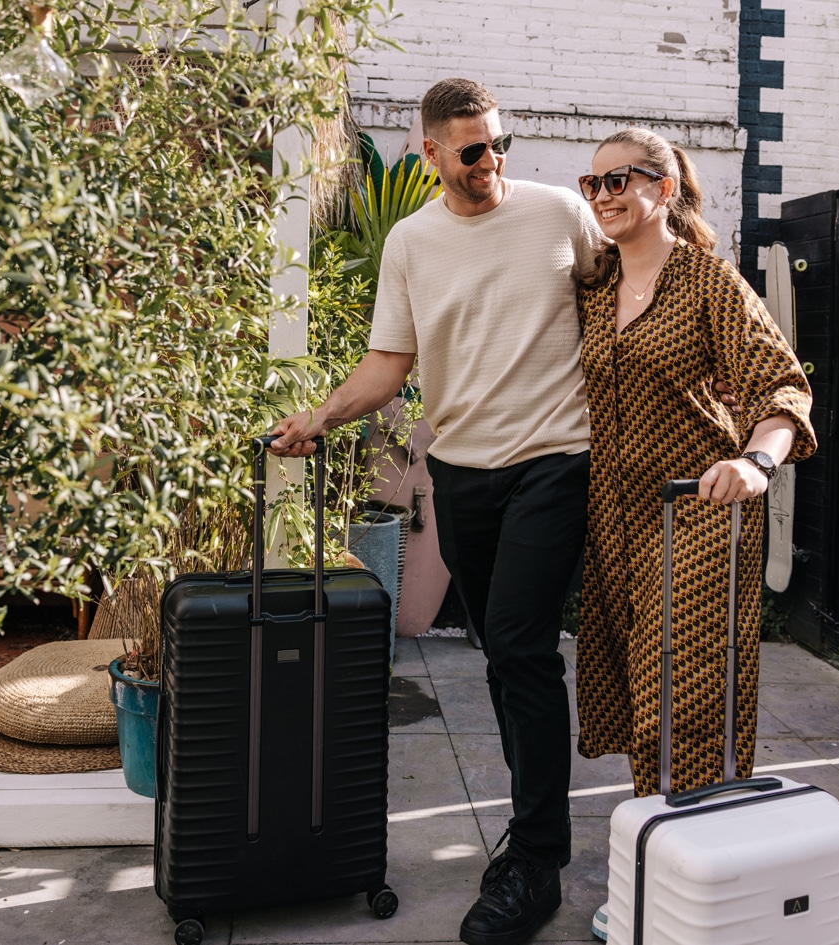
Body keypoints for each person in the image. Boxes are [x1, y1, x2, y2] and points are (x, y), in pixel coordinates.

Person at [269, 78, 604, 945]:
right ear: (430, 154)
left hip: (554, 461)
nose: (490, 161)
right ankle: (529, 836)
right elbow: (388, 363)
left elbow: (627, 291)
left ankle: (534, 860)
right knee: (500, 649)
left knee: (522, 645)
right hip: (460, 470)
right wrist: (319, 416)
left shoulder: (560, 214)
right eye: (471, 150)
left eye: (498, 144)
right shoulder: (412, 244)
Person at [570, 128, 815, 942]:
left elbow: (780, 384)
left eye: (620, 180)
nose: (603, 195)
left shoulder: (708, 281)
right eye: (593, 182)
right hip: (617, 517)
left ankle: (691, 883)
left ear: (665, 188)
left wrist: (756, 461)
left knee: (688, 693)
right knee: (644, 695)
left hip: (696, 514)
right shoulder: (595, 287)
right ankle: (670, 871)